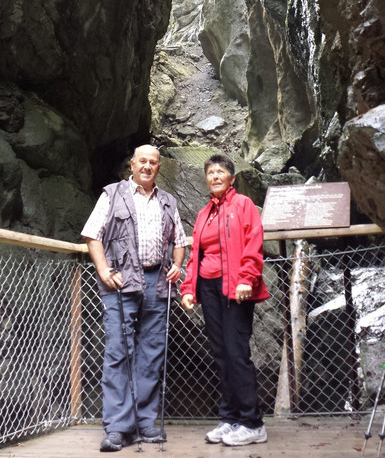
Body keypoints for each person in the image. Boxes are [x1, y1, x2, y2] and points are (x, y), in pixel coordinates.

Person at [81, 144, 186, 453]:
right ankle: (118, 427)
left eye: (153, 162)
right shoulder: (112, 194)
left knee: (152, 351)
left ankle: (145, 422)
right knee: (119, 350)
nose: (147, 166)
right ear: (132, 164)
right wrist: (103, 269)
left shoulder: (168, 201)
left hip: (157, 281)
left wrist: (177, 264)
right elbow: (92, 234)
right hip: (122, 280)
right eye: (142, 161)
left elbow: (179, 240)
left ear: (158, 167)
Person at [180, 153, 269, 447]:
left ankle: (253, 423)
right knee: (220, 354)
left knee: (236, 353)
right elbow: (196, 255)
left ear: (231, 178)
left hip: (236, 287)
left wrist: (247, 278)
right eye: (210, 172)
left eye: (220, 172)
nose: (215, 176)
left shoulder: (243, 205)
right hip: (208, 288)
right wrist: (188, 288)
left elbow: (254, 242)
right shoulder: (204, 213)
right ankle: (230, 418)